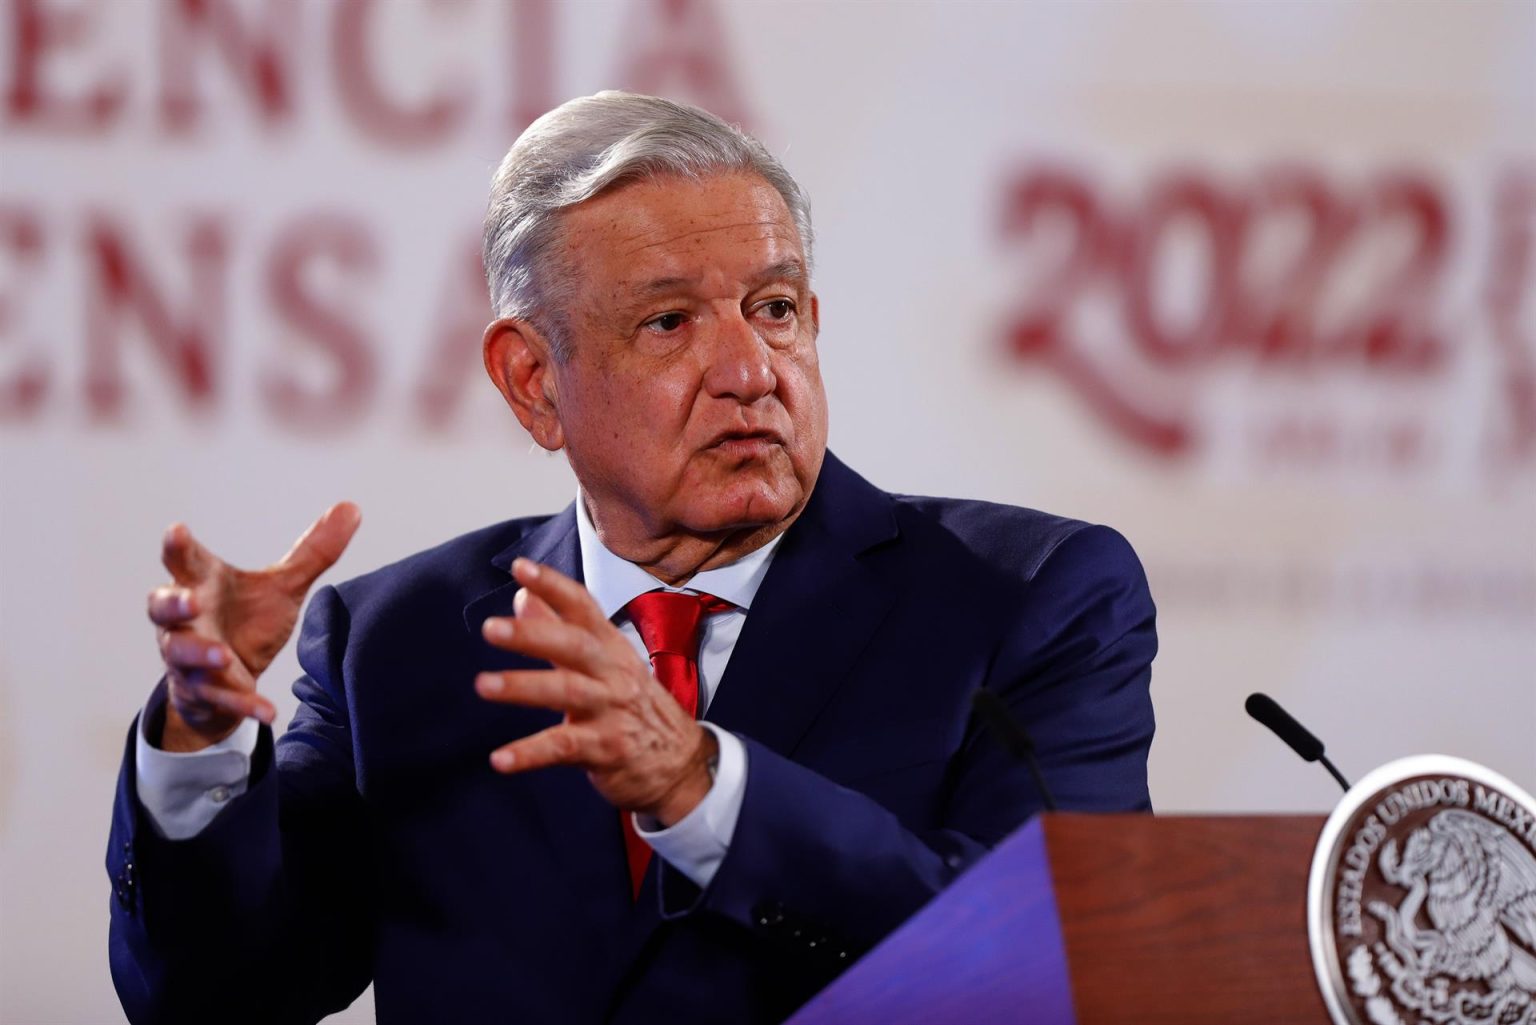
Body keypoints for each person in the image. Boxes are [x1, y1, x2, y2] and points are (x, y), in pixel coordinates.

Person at [107, 91, 1156, 1024]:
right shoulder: (399, 642)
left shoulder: (1027, 599)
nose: (751, 369)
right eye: (669, 321)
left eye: (775, 308)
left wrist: (702, 786)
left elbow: (1050, 965)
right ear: (531, 380)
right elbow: (216, 995)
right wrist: (198, 747)